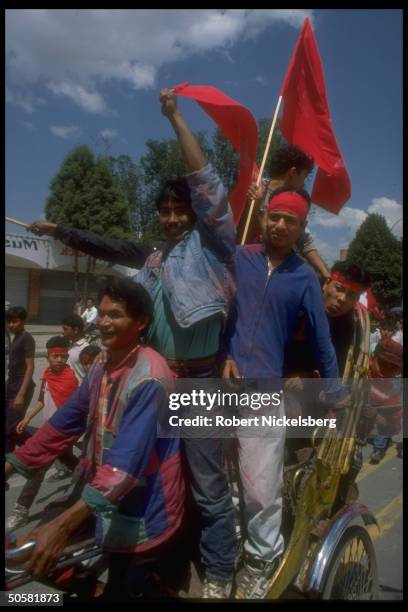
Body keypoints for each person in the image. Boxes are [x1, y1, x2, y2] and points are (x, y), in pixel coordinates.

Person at [30, 88, 237, 598]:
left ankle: (222, 572)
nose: (170, 217)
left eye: (178, 209)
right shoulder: (153, 259)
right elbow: (109, 245)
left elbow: (207, 185)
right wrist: (61, 230)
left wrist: (176, 118)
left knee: (208, 485)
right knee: (149, 479)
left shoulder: (212, 246)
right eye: (164, 210)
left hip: (198, 382)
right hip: (154, 382)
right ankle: (165, 563)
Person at [5, 278, 185, 601]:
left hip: (144, 507)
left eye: (114, 315)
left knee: (124, 585)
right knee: (29, 559)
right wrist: (10, 465)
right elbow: (62, 425)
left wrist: (61, 527)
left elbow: (125, 467)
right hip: (102, 495)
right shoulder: (102, 362)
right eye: (101, 313)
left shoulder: (151, 378)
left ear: (141, 322)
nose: (102, 322)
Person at [222, 187, 344, 599]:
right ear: (262, 218)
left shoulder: (304, 278)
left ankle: (263, 557)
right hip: (223, 385)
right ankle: (233, 546)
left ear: (301, 228)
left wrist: (334, 390)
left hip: (263, 390)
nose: (279, 225)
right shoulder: (241, 258)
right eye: (273, 216)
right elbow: (217, 313)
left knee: (260, 484)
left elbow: (322, 339)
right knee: (224, 479)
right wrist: (223, 354)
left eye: (288, 220)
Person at [6, 336, 79, 533]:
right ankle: (86, 481)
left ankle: (20, 511)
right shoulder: (47, 374)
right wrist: (27, 418)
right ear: (47, 357)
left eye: (63, 357)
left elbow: (76, 408)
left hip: (62, 431)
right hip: (49, 430)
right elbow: (41, 400)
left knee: (38, 468)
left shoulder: (70, 378)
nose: (60, 360)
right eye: (55, 356)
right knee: (70, 461)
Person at [245, 144, 330, 279]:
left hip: (276, 271)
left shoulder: (296, 201)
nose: (304, 184)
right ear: (293, 172)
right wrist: (255, 205)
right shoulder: (254, 189)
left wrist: (326, 274)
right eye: (305, 176)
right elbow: (239, 231)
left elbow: (302, 239)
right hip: (246, 265)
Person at [5, 306, 36, 454]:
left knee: (12, 426)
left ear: (23, 321)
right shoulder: (16, 336)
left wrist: (20, 395)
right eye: (9, 322)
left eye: (15, 321)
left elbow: (30, 367)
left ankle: (35, 449)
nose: (11, 325)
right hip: (11, 385)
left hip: (21, 386)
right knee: (9, 424)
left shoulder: (26, 338)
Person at [367, 338, 402, 464]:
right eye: (383, 364)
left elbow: (393, 426)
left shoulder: (391, 395)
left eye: (393, 368)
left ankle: (379, 448)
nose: (386, 371)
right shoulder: (361, 370)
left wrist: (376, 416)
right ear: (372, 358)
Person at [61, 314, 90, 383]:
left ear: (76, 330)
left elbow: (90, 375)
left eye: (65, 329)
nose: (62, 332)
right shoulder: (68, 345)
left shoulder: (85, 349)